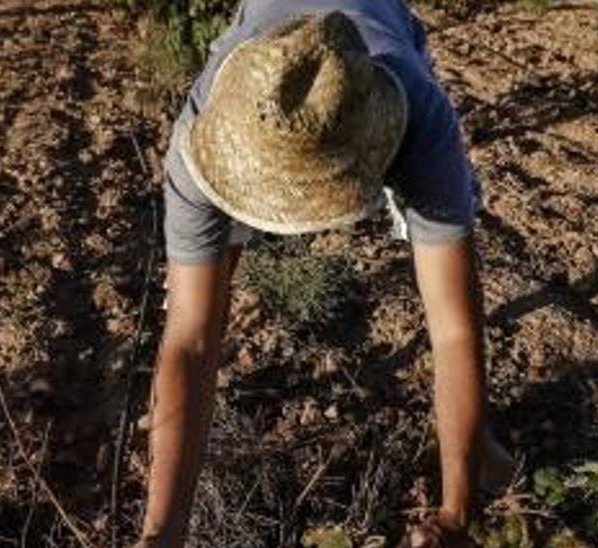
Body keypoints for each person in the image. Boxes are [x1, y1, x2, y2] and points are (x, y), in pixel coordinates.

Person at [138, 1, 512, 546]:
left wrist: (456, 514)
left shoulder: (419, 118)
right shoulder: (199, 141)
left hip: (382, 39)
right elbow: (190, 340)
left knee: (454, 286)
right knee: (199, 313)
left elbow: (453, 328)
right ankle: (164, 480)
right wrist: (161, 535)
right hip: (257, 57)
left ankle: (477, 449)